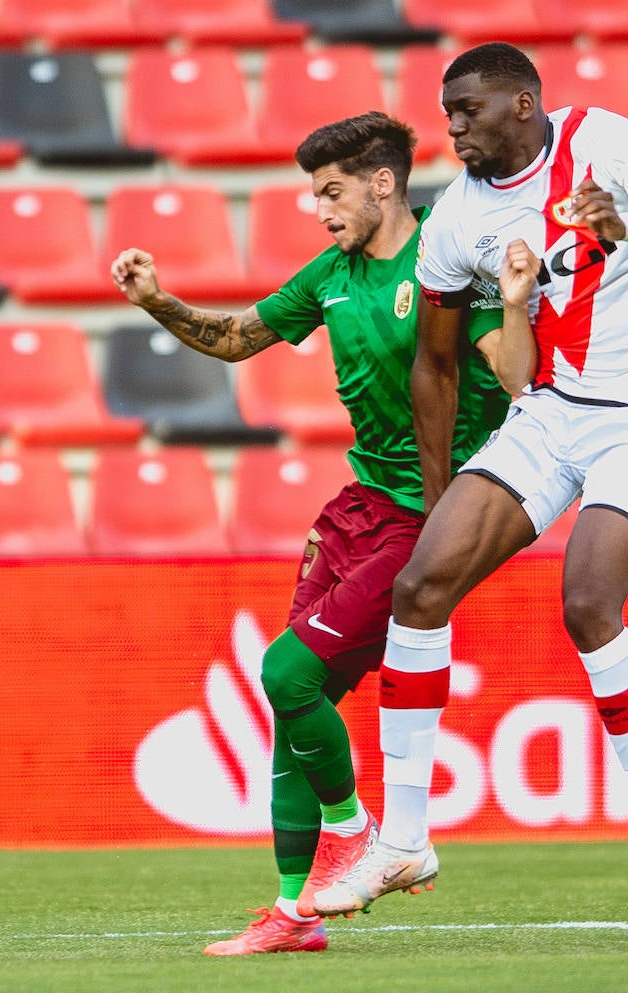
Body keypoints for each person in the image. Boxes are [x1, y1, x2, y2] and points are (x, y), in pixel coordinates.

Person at [310, 42, 628, 929]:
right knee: (420, 587)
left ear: (524, 106)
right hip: (550, 409)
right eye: (448, 112)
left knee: (587, 602)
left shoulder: (602, 141)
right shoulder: (459, 219)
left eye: (469, 109)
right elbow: (435, 366)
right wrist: (436, 498)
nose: (454, 126)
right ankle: (408, 840)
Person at [109, 112, 511, 955]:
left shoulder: (447, 256)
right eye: (312, 193)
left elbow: (511, 364)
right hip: (359, 507)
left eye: (331, 192)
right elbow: (235, 338)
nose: (318, 209)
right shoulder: (331, 274)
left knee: (285, 671)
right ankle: (295, 913)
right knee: (301, 704)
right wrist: (157, 302)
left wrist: (513, 300)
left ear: (383, 183)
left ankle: (361, 830)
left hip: (432, 512)